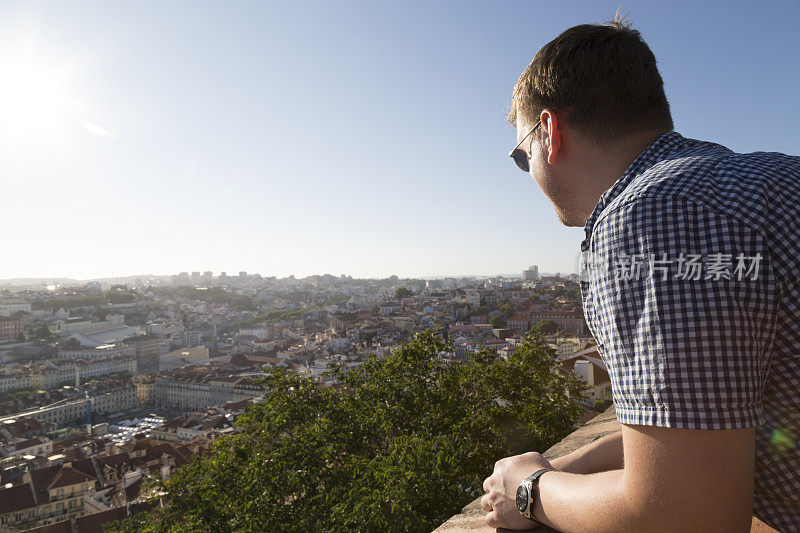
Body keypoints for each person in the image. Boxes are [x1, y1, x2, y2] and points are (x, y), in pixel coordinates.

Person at [481, 18, 800, 533]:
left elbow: (689, 517)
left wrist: (530, 491)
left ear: (551, 132)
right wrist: (560, 472)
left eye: (523, 156)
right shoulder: (758, 182)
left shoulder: (650, 217)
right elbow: (693, 421)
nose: (528, 171)